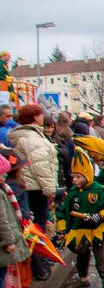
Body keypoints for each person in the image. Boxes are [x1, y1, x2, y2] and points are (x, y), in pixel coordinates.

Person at [57, 147, 104, 288]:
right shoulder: (73, 193)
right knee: (82, 255)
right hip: (80, 230)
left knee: (100, 256)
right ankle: (83, 278)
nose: (74, 180)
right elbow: (63, 212)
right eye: (73, 177)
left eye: (78, 177)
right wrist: (62, 229)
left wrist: (100, 215)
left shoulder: (99, 190)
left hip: (96, 230)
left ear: (87, 175)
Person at [8, 104, 58, 244]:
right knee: (37, 228)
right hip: (36, 188)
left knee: (30, 225)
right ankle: (39, 261)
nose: (43, 117)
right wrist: (50, 190)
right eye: (41, 114)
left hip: (27, 185)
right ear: (36, 117)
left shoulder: (24, 134)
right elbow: (40, 165)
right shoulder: (32, 138)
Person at [0, 152, 30, 288]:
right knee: (1, 274)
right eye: (2, 173)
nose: (4, 176)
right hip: (4, 242)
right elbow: (3, 221)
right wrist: (9, 241)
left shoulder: (4, 188)